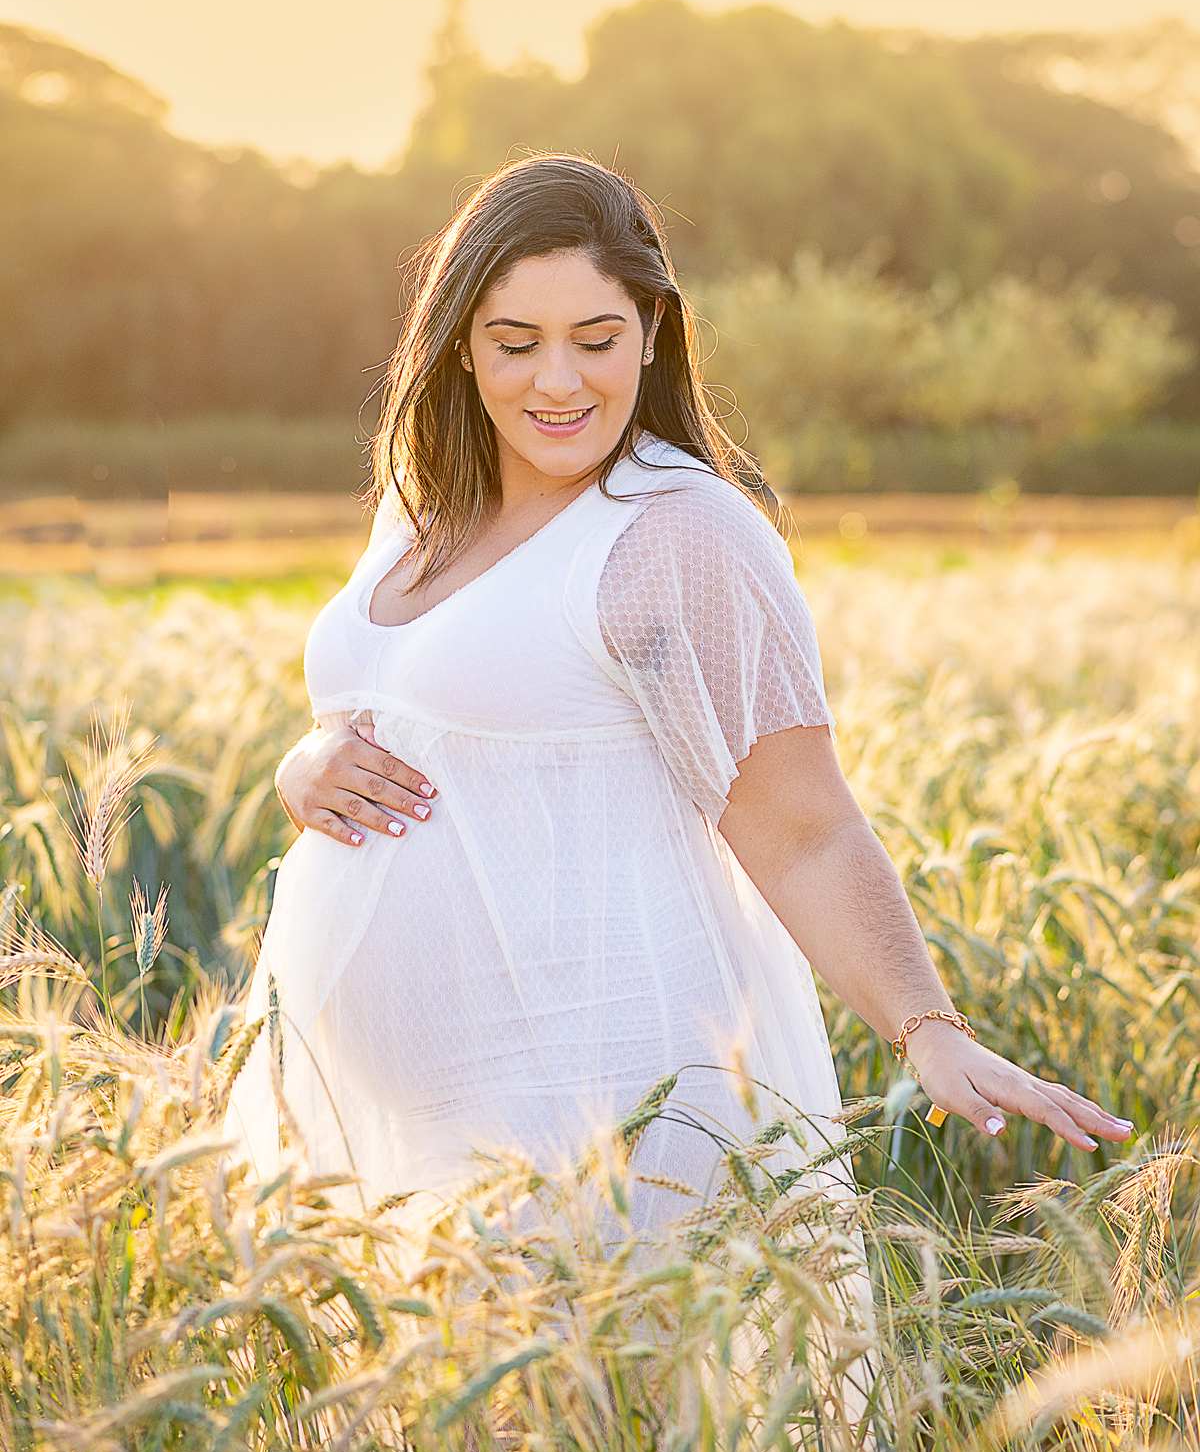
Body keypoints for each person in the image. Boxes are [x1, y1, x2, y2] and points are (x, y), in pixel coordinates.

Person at [224, 155, 1131, 1223]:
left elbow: (803, 828)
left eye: (596, 340)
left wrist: (927, 1026)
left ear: (653, 333)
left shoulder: (675, 532)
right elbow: (400, 715)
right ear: (461, 347)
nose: (557, 382)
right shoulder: (426, 509)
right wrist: (305, 763)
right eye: (516, 344)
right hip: (399, 1128)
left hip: (594, 1099)